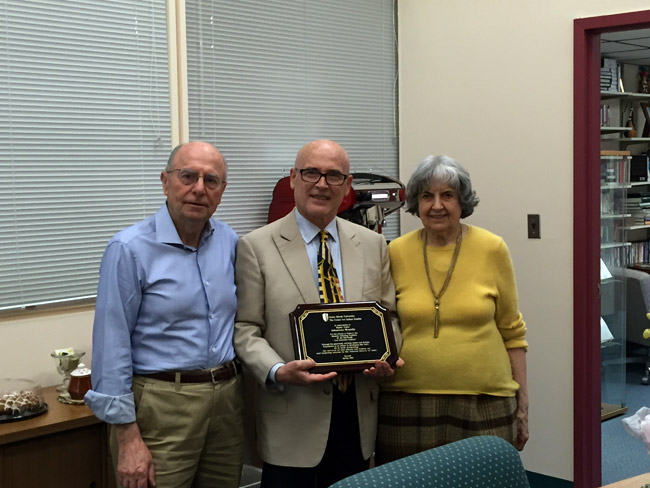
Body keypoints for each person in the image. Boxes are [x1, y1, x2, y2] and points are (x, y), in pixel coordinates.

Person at [234, 139, 403, 488]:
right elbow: (246, 328)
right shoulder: (256, 247)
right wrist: (278, 371)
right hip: (292, 417)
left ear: (347, 185)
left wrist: (388, 353)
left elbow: (389, 315)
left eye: (334, 175)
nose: (322, 184)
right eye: (311, 173)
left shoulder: (372, 245)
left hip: (357, 415)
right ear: (294, 179)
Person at [85, 142, 244, 488]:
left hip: (227, 403)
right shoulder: (129, 249)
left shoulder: (229, 241)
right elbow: (111, 347)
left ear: (222, 191)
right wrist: (127, 439)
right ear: (165, 181)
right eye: (188, 176)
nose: (199, 189)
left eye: (211, 180)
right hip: (160, 406)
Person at [375, 154, 529, 464]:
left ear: (463, 202)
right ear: (416, 202)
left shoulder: (492, 248)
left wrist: (523, 403)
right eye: (426, 196)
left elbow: (513, 332)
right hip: (406, 400)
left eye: (448, 195)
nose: (436, 205)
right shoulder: (395, 252)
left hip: (484, 400)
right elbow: (383, 323)